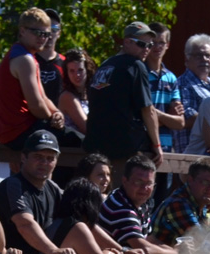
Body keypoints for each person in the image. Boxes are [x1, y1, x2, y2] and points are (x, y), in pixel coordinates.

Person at [83, 22, 162, 166]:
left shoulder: (105, 65)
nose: (147, 50)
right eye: (142, 44)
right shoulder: (136, 65)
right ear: (127, 42)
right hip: (123, 150)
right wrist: (157, 146)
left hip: (94, 149)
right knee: (131, 187)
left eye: (150, 45)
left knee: (98, 187)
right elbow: (147, 109)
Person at [0, 9, 66, 151]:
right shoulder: (24, 59)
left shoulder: (28, 56)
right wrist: (53, 120)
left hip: (19, 131)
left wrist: (57, 113)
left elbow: (43, 97)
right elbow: (36, 105)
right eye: (37, 33)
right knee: (80, 141)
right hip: (18, 132)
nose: (42, 38)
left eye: (46, 34)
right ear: (22, 31)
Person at [147, 156, 210, 246]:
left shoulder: (203, 202)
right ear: (190, 179)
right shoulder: (178, 203)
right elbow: (207, 248)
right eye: (205, 182)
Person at [145, 23, 186, 164]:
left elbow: (180, 122)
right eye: (153, 43)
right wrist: (167, 117)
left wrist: (154, 113)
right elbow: (139, 117)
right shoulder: (139, 74)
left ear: (167, 45)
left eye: (161, 42)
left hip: (166, 146)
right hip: (143, 146)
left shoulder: (171, 78)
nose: (157, 47)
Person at [173, 34, 210, 154]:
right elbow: (189, 118)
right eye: (199, 55)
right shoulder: (183, 84)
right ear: (187, 59)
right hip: (193, 156)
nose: (204, 59)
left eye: (208, 56)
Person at [58, 48, 95, 143]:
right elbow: (87, 128)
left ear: (87, 69)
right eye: (72, 71)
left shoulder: (92, 92)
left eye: (80, 70)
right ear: (67, 73)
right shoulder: (67, 96)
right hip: (73, 151)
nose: (77, 75)